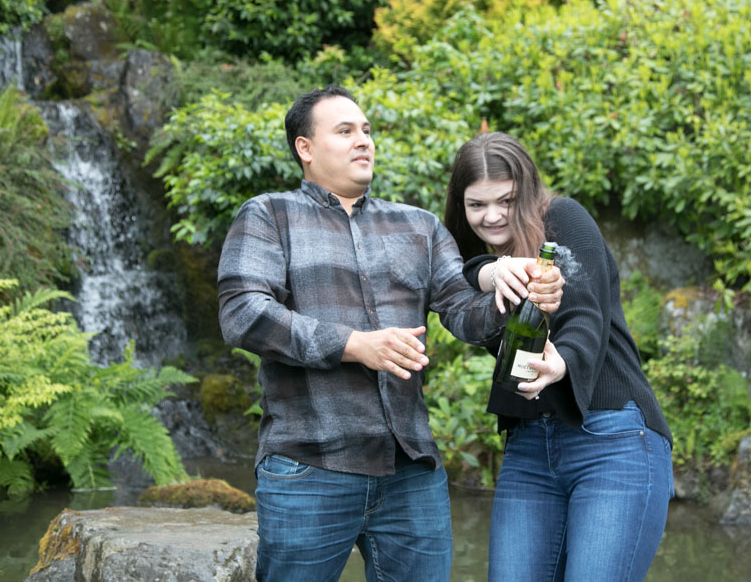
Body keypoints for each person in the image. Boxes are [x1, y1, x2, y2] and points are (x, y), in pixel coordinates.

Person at [217, 87, 563, 582]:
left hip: (411, 473)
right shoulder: (269, 216)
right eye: (345, 131)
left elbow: (463, 313)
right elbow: (243, 313)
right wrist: (355, 346)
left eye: (366, 130)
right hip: (309, 467)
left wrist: (511, 288)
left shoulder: (418, 226)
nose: (363, 141)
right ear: (305, 148)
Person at [444, 131, 674, 582]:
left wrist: (561, 362)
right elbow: (451, 287)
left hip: (612, 436)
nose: (492, 216)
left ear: (526, 191)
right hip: (529, 447)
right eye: (477, 205)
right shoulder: (474, 259)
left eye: (505, 201)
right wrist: (489, 270)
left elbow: (589, 310)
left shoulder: (561, 220)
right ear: (461, 205)